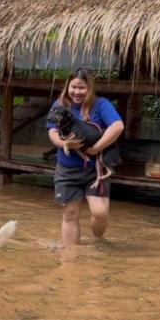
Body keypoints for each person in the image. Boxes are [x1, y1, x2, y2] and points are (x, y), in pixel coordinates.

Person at [46, 68, 124, 246]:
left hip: (95, 170)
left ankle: (98, 241)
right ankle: (70, 259)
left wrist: (96, 148)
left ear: (89, 88)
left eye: (82, 88)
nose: (76, 92)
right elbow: (52, 131)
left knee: (100, 213)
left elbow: (117, 126)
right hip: (68, 169)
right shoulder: (59, 105)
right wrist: (63, 144)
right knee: (70, 214)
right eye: (73, 87)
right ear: (68, 86)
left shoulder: (101, 104)